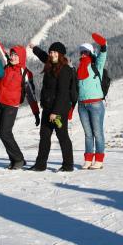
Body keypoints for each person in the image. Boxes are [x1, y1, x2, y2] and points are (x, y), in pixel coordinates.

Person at [0, 19, 41, 170]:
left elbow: (31, 95)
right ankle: (15, 160)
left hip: (11, 106)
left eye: (16, 55)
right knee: (4, 134)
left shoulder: (25, 73)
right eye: (12, 54)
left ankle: (19, 160)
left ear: (21, 57)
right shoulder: (5, 64)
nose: (12, 57)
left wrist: (36, 113)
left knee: (5, 132)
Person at [27, 41, 75, 172]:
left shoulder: (65, 70)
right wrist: (34, 48)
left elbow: (63, 93)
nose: (52, 54)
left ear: (60, 54)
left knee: (62, 136)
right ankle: (40, 164)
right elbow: (44, 56)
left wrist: (56, 112)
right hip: (48, 108)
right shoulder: (50, 65)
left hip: (58, 110)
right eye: (51, 52)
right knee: (44, 136)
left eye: (54, 52)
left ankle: (68, 165)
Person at [77, 33, 108, 169]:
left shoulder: (97, 65)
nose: (83, 54)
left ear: (90, 53)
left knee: (97, 133)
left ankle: (99, 159)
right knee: (88, 134)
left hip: (95, 103)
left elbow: (103, 52)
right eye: (81, 52)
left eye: (85, 52)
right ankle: (88, 159)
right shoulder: (79, 68)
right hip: (82, 104)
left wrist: (102, 43)